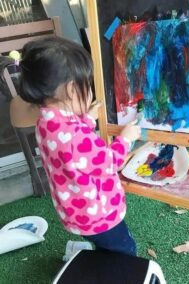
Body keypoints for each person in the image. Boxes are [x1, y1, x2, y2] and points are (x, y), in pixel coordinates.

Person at [0, 37, 141, 256]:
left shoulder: (47, 120)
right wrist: (125, 139)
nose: (91, 92)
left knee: (104, 245)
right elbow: (110, 162)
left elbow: (71, 150)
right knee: (124, 250)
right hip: (99, 215)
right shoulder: (73, 137)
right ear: (72, 90)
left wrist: (87, 119)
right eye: (88, 86)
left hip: (76, 212)